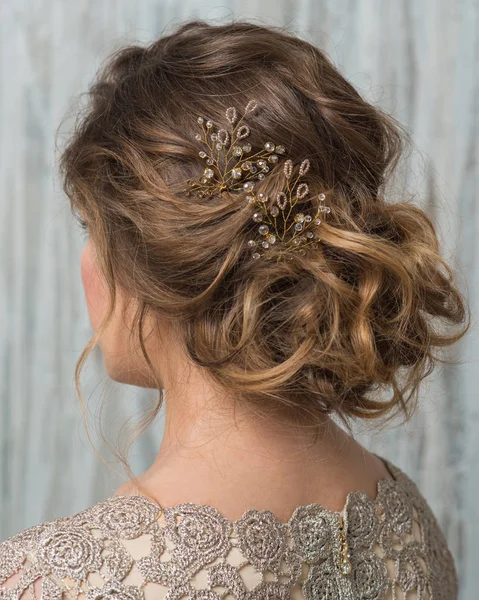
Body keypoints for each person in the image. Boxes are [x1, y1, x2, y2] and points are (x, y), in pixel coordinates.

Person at [0, 19, 470, 600]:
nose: (86, 260)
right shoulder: (408, 523)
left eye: (89, 228)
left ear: (156, 259)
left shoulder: (57, 582)